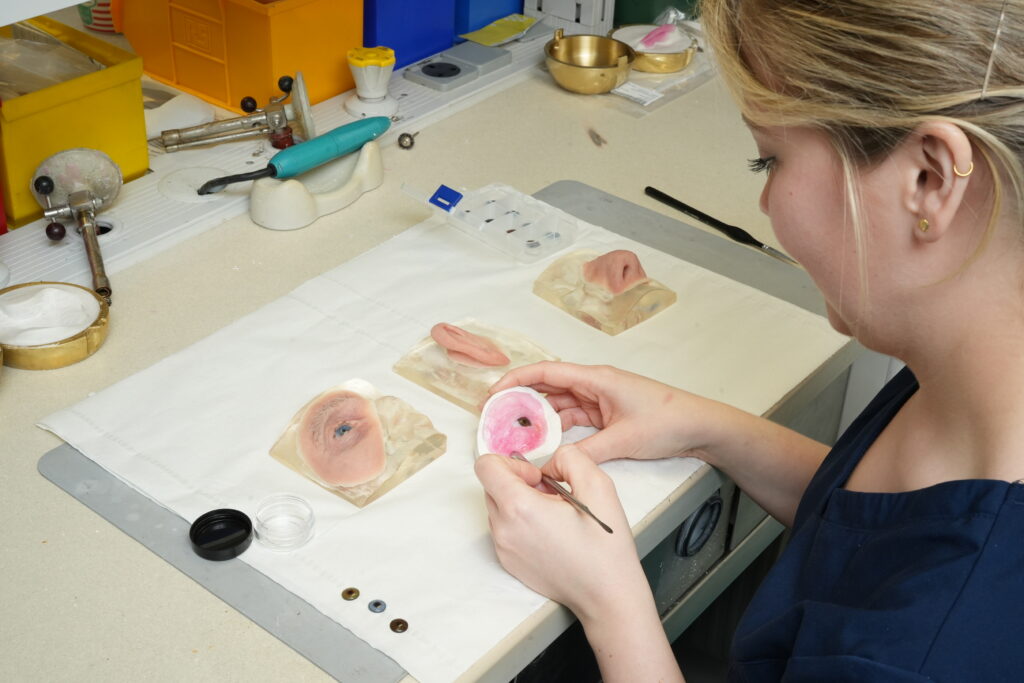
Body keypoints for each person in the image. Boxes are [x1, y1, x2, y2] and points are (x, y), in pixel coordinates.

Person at [474, 1, 1024, 680]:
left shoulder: (928, 654)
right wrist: (703, 426)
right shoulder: (982, 353)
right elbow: (878, 536)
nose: (765, 207)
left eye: (770, 162)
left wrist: (609, 602)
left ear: (929, 179)